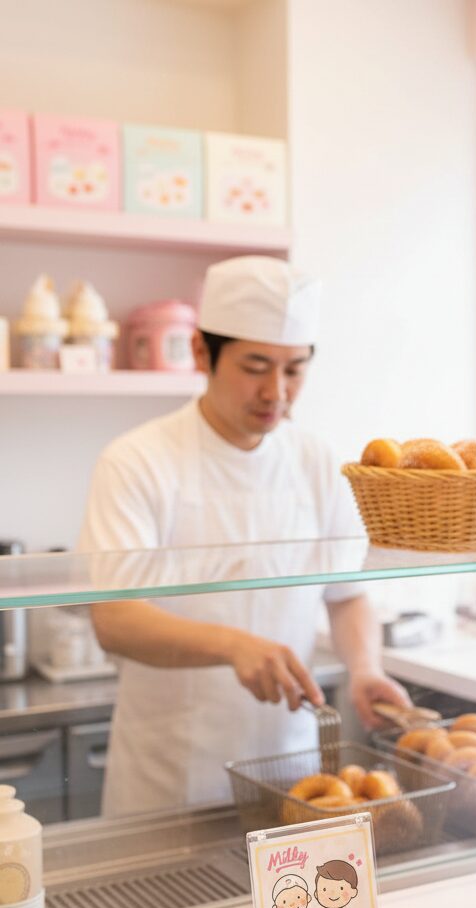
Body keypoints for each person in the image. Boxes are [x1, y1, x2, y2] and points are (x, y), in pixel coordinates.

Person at [79, 256, 411, 817]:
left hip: (291, 768)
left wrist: (365, 668)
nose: (276, 392)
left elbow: (347, 593)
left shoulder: (316, 459)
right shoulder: (136, 461)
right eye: (256, 366)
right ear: (203, 354)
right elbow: (115, 619)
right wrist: (233, 645)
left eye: (294, 369)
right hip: (169, 775)